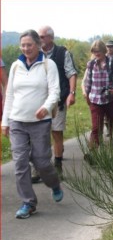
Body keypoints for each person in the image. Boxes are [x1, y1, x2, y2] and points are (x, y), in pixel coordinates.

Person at [1, 29, 63, 219]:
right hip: (17, 121)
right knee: (20, 162)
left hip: (39, 122)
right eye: (23, 45)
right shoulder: (15, 66)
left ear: (38, 45)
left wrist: (46, 107)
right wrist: (5, 121)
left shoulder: (48, 65)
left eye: (29, 44)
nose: (26, 48)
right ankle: (28, 202)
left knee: (42, 162)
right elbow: (10, 94)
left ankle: (54, 183)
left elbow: (55, 91)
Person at [30, 25, 77, 182]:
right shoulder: (34, 54)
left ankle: (57, 167)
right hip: (38, 100)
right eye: (38, 36)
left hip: (57, 100)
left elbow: (71, 73)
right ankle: (38, 169)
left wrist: (71, 93)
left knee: (56, 132)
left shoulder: (63, 53)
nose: (39, 39)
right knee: (38, 136)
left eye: (42, 37)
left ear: (51, 37)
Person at [84, 40, 113, 147]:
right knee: (96, 128)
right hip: (95, 100)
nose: (96, 53)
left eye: (99, 51)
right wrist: (86, 95)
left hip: (111, 100)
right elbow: (88, 82)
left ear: (103, 51)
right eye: (94, 51)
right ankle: (93, 154)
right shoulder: (91, 64)